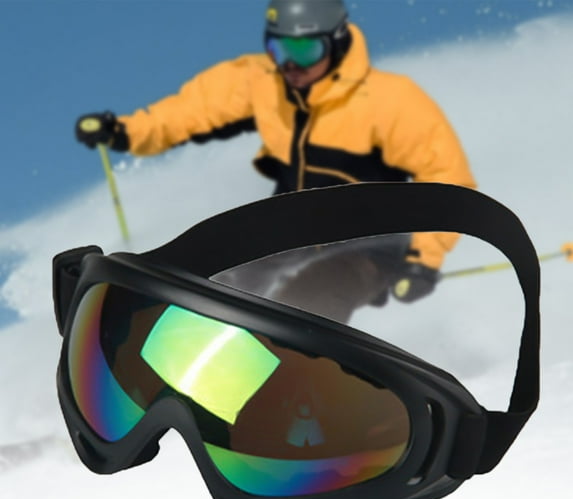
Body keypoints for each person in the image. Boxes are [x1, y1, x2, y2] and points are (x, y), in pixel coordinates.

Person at [75, 0, 476, 323]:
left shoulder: (389, 101)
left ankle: (279, 385)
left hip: (367, 248)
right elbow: (192, 110)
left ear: (336, 43)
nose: (290, 65)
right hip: (289, 231)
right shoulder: (266, 83)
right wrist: (125, 131)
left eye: (304, 50)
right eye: (279, 49)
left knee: (300, 302)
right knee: (221, 284)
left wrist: (424, 260)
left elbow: (447, 177)